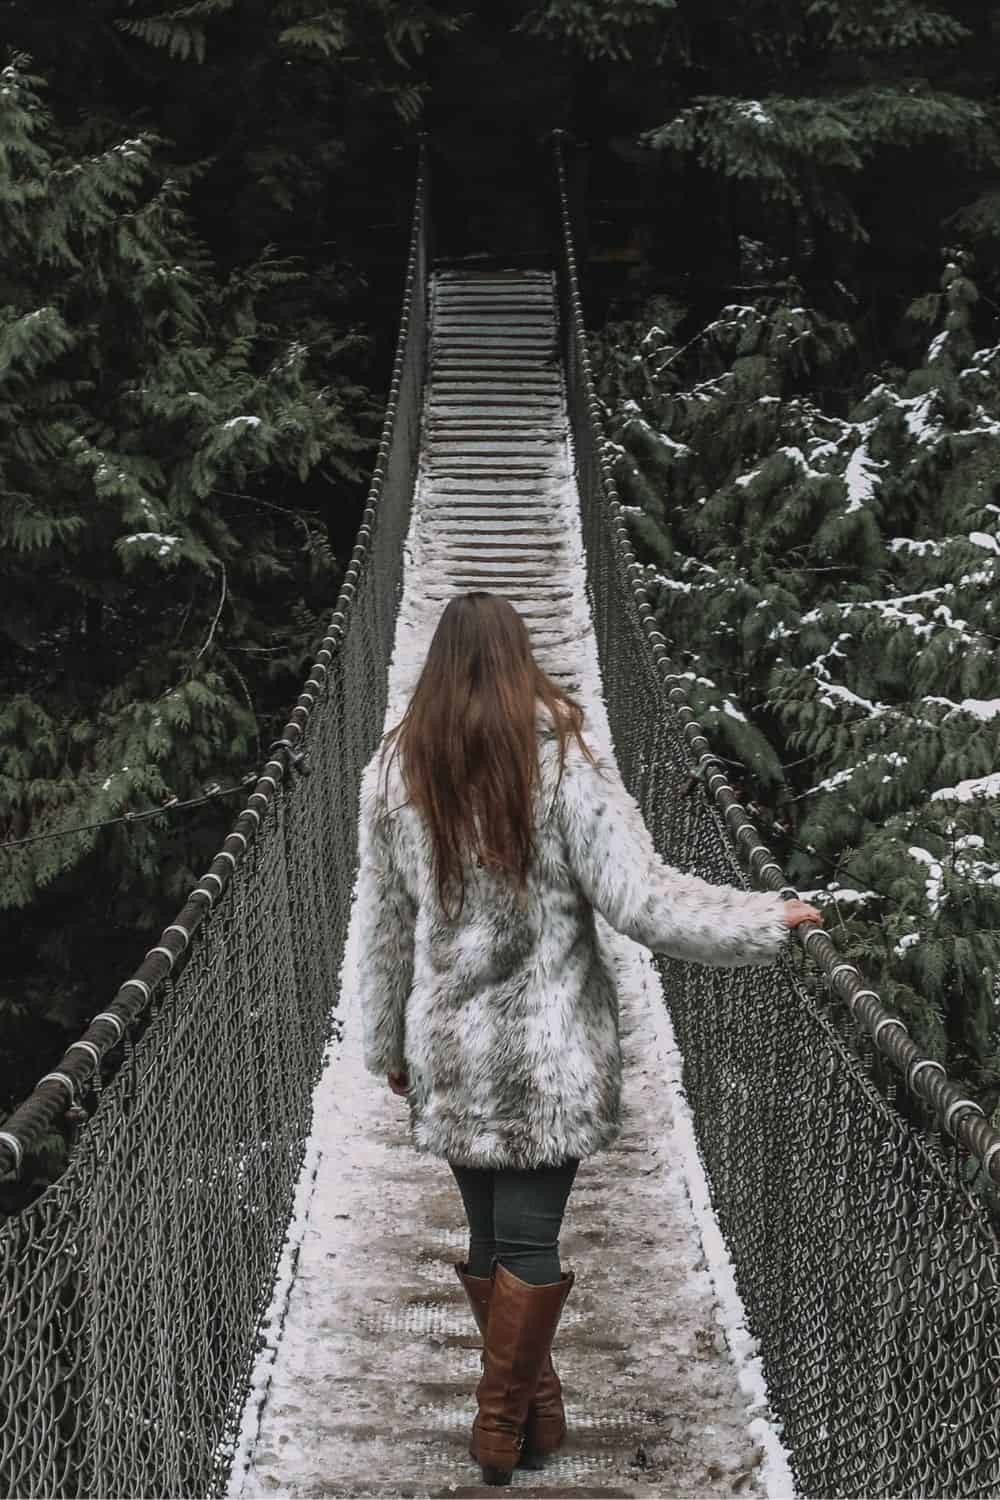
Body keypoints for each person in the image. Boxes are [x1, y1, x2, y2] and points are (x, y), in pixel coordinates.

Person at [356, 591, 821, 1487]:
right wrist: (765, 918)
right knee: (526, 1246)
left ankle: (537, 1416)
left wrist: (389, 1049)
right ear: (522, 658)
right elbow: (644, 901)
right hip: (551, 1052)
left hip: (451, 1052)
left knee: (496, 1243)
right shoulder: (561, 761)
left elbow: (381, 927)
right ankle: (497, 1434)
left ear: (438, 665)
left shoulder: (396, 770)